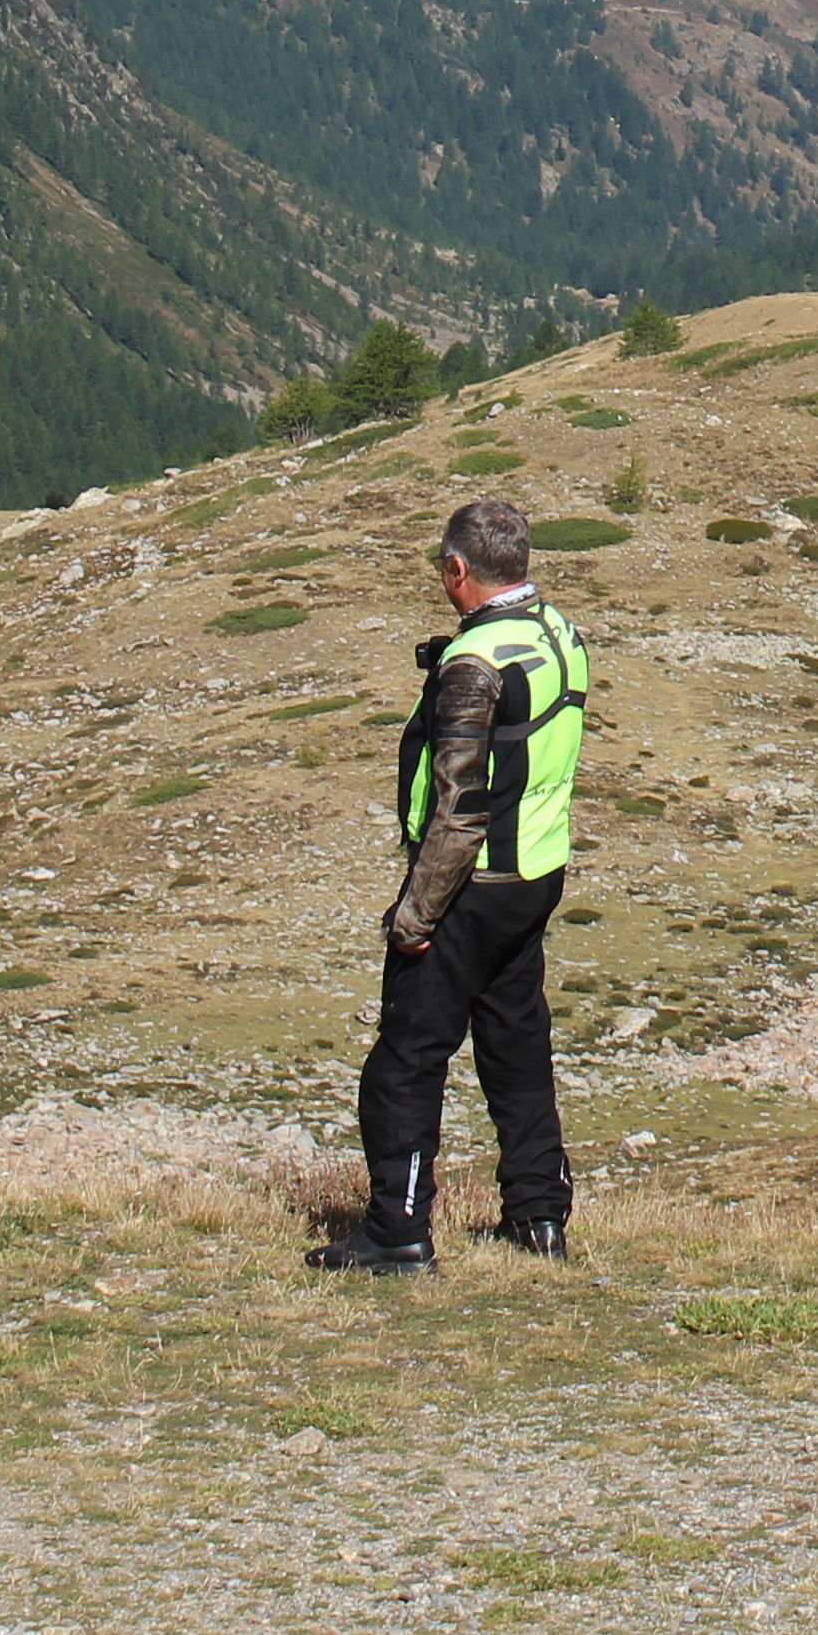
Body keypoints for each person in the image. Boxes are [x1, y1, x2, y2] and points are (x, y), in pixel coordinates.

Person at [313, 496, 592, 1272]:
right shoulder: (559, 634)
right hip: (534, 874)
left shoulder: (474, 663)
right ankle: (538, 1219)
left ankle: (397, 1231)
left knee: (406, 1060)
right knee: (516, 1047)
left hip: (469, 886)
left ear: (457, 569)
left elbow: (459, 808)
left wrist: (416, 914)